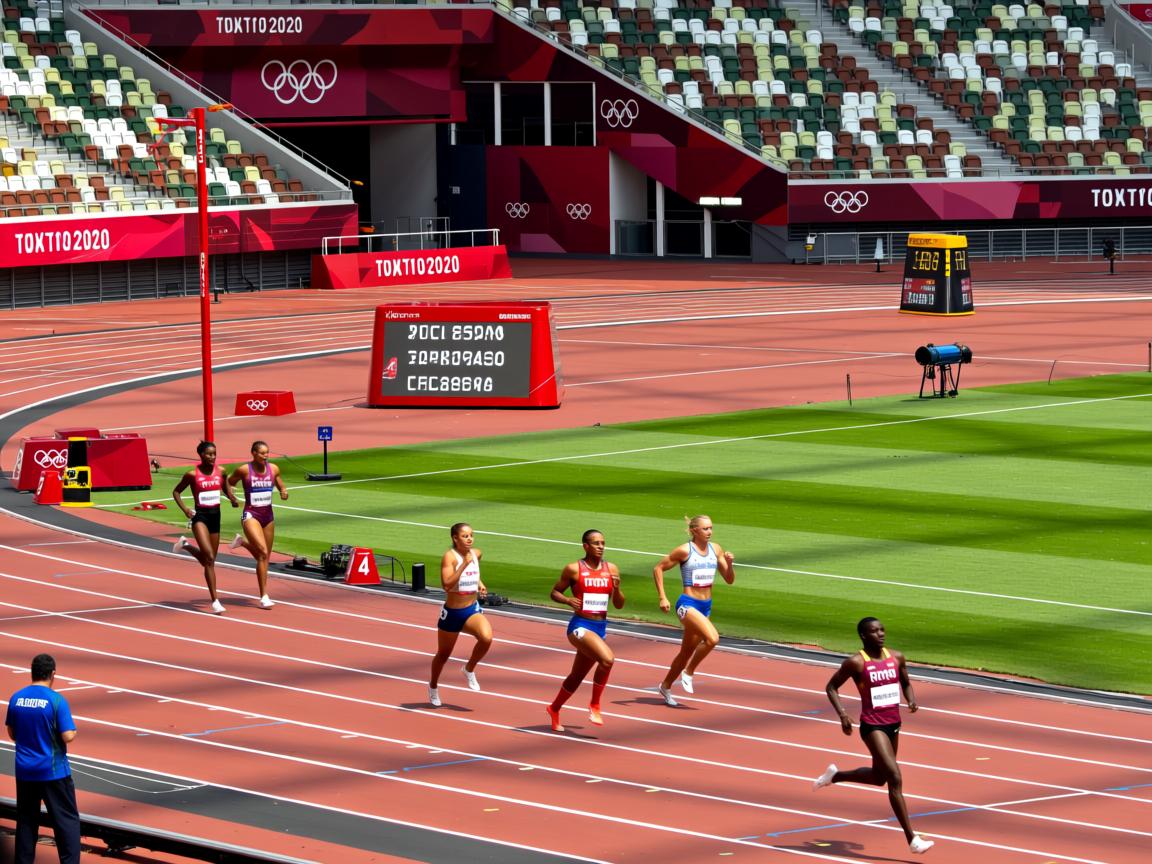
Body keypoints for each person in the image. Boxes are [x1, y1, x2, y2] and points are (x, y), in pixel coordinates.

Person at [814, 617, 934, 855]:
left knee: (880, 778)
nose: (881, 634)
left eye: (882, 630)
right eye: (874, 631)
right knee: (895, 778)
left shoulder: (896, 657)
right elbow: (831, 687)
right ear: (863, 636)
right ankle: (912, 839)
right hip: (872, 726)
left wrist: (911, 698)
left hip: (894, 724)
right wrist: (843, 715)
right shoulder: (856, 663)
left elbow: (906, 683)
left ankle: (835, 776)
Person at [545, 529, 624, 732]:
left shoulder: (612, 569)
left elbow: (619, 604)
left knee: (576, 676)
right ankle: (595, 705)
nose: (601, 547)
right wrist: (568, 600)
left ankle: (554, 709)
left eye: (603, 543)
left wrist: (617, 589)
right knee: (607, 659)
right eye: (596, 543)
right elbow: (554, 592)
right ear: (586, 546)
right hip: (580, 626)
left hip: (600, 627)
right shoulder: (574, 569)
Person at [651, 515, 734, 706]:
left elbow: (729, 579)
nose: (710, 532)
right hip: (687, 605)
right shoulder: (684, 550)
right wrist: (662, 596)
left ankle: (665, 686)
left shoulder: (716, 549)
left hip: (706, 606)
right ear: (694, 531)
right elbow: (658, 568)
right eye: (705, 529)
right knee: (713, 638)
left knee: (685, 653)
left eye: (711, 528)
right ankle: (688, 672)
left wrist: (729, 564)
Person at [5, 653, 80, 864]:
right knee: (66, 823)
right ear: (52, 674)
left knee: (27, 822)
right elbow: (67, 735)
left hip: (25, 772)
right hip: (53, 772)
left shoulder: (17, 697)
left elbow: (12, 733)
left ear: (32, 672)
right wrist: (73, 732)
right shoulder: (56, 700)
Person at [427, 522, 493, 707]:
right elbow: (447, 585)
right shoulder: (450, 557)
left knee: (486, 638)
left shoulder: (476, 553)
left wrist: (479, 582)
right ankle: (433, 686)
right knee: (443, 655)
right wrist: (463, 565)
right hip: (452, 613)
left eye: (471, 535)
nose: (470, 538)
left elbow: (475, 569)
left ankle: (469, 668)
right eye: (465, 536)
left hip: (471, 609)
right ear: (455, 538)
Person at [171, 441, 241, 614]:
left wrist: (231, 498)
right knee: (209, 557)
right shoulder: (191, 475)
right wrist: (186, 509)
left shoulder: (221, 471)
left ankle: (185, 545)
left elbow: (225, 486)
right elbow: (176, 491)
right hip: (200, 517)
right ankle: (215, 601)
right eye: (209, 454)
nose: (212, 457)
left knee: (209, 561)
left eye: (214, 454)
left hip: (215, 517)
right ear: (201, 455)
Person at [226, 440, 288, 609]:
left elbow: (279, 482)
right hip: (251, 514)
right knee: (261, 552)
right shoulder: (244, 470)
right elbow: (228, 482)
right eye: (262, 453)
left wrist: (283, 491)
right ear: (253, 453)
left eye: (267, 452)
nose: (266, 456)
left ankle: (242, 542)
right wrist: (232, 498)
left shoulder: (273, 469)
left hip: (268, 515)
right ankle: (264, 596)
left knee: (265, 556)